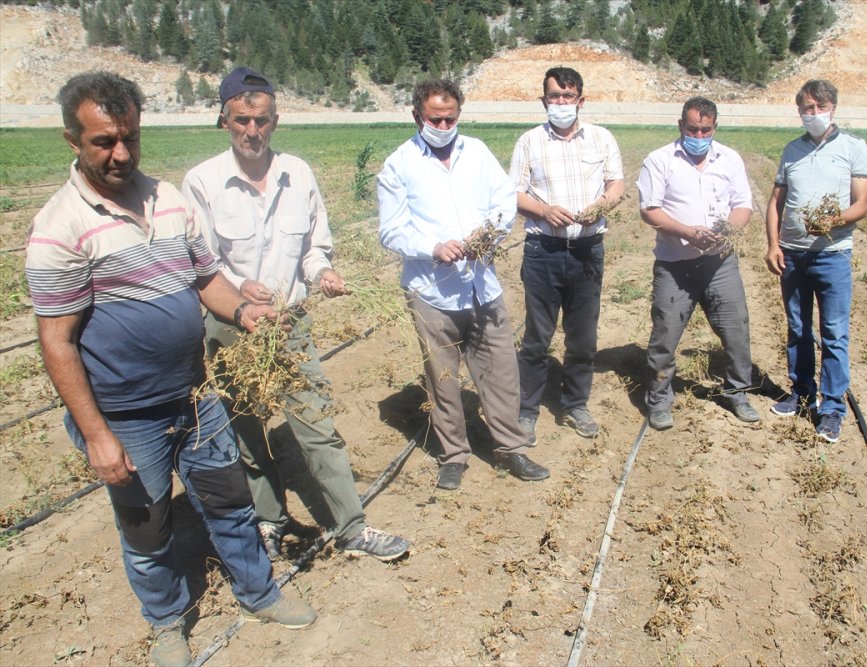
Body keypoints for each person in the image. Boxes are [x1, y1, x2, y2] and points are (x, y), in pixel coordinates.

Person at [25, 72, 315, 667]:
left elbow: (206, 278)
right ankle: (166, 623)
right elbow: (57, 341)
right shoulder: (60, 226)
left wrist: (244, 312)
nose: (121, 153)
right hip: (127, 414)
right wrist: (98, 435)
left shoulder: (168, 199)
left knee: (230, 504)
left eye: (129, 137)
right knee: (147, 528)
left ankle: (260, 594)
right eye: (104, 141)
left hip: (195, 394)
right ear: (72, 141)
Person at [182, 67, 409, 562]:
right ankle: (269, 519)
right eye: (242, 120)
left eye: (262, 120)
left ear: (275, 120)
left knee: (316, 424)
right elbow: (202, 262)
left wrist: (322, 272)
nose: (252, 131)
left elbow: (313, 248)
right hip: (231, 325)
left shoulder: (298, 174)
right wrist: (240, 288)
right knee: (247, 430)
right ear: (224, 120)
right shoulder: (202, 182)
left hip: (289, 322)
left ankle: (352, 527)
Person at [377, 79, 550, 491]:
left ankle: (510, 448)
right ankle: (454, 455)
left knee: (501, 371)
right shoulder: (399, 165)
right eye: (434, 119)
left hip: (481, 286)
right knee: (443, 378)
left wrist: (489, 234)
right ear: (417, 116)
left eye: (450, 119)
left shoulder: (477, 153)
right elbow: (391, 230)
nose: (443, 126)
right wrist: (432, 247)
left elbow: (503, 201)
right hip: (431, 290)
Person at [508, 66, 625, 445]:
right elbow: (513, 194)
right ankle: (527, 410)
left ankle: (575, 404)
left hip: (587, 251)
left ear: (581, 100)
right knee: (536, 337)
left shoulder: (602, 138)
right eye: (554, 96)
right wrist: (543, 211)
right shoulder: (529, 142)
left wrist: (601, 205)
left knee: (583, 336)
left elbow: (616, 183)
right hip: (544, 251)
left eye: (568, 96)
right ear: (543, 101)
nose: (561, 102)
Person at [637, 96, 761, 430]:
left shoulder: (729, 159)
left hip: (720, 263)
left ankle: (737, 392)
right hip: (675, 265)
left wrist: (727, 231)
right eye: (693, 129)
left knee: (736, 330)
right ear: (681, 125)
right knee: (665, 334)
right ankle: (659, 400)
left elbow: (743, 205)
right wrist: (687, 232)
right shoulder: (660, 160)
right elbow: (649, 210)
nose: (699, 136)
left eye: (706, 130)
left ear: (714, 127)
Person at [765, 79, 867, 443]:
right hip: (793, 255)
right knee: (797, 328)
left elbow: (861, 204)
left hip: (832, 255)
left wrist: (832, 220)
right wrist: (773, 245)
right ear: (799, 111)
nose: (813, 114)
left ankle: (832, 408)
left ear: (832, 108)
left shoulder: (854, 147)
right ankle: (801, 393)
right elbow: (775, 203)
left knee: (834, 333)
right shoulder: (791, 150)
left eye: (820, 107)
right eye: (807, 108)